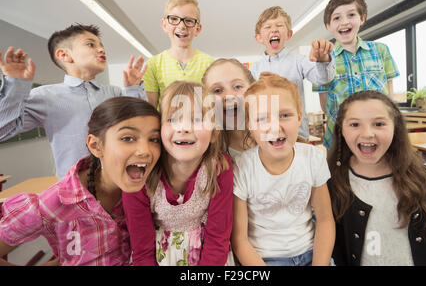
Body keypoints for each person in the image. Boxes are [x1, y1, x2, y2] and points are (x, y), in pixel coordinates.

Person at [0, 97, 161, 266]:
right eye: (128, 138)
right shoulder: (54, 202)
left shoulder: (156, 191)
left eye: (154, 139)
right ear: (96, 146)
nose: (145, 151)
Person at [0, 24, 147, 179]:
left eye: (102, 46)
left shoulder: (114, 93)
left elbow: (141, 128)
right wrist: (15, 87)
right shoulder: (45, 96)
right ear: (64, 55)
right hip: (74, 189)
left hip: (118, 184)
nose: (101, 50)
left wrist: (133, 89)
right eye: (91, 44)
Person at [328, 90, 426, 265]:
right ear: (341, 130)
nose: (367, 133)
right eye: (355, 124)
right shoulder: (332, 183)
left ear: (395, 127)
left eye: (379, 124)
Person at [122, 81, 234, 266]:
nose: (183, 128)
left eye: (196, 120)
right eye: (173, 119)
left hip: (208, 257)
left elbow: (218, 238)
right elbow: (142, 249)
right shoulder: (140, 172)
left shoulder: (219, 167)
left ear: (214, 134)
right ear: (159, 130)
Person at [232, 74, 335, 266]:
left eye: (284, 115)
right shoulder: (242, 167)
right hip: (265, 260)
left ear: (299, 117)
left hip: (312, 253)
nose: (274, 126)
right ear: (250, 126)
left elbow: (325, 220)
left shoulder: (313, 158)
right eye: (262, 118)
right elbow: (239, 240)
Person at [313, 0, 400, 150]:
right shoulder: (323, 59)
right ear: (328, 26)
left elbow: (390, 96)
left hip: (378, 136)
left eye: (351, 15)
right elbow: (325, 105)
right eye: (337, 17)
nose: (344, 22)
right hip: (339, 139)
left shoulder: (380, 50)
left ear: (362, 18)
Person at [249, 6, 335, 140]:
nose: (274, 29)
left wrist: (323, 61)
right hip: (266, 134)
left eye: (279, 25)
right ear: (259, 37)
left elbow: (322, 79)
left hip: (297, 134)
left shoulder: (300, 61)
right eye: (267, 27)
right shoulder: (254, 69)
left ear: (289, 34)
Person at [143, 0, 214, 108]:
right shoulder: (152, 65)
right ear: (164, 25)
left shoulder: (210, 63)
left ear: (198, 29)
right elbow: (150, 110)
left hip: (201, 125)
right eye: (174, 19)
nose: (181, 26)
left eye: (189, 21)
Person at [202, 58, 255, 160]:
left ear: (253, 89)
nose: (229, 96)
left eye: (237, 86)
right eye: (217, 90)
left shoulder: (273, 138)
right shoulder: (208, 152)